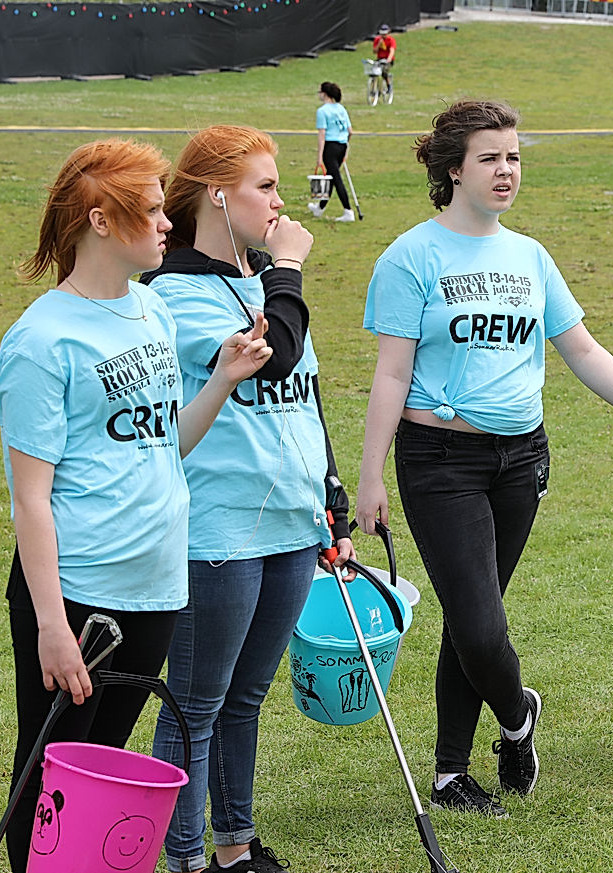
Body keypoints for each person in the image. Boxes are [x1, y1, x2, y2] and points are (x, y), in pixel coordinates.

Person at [356, 99, 613, 817]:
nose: (506, 171)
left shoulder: (530, 255)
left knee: (469, 612)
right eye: (490, 158)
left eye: (513, 157)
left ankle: (450, 776)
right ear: (454, 169)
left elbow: (581, 348)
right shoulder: (410, 256)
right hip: (439, 459)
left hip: (521, 460)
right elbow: (390, 372)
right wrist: (370, 473)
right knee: (479, 622)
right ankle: (517, 716)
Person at [0, 138, 272, 872]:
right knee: (50, 770)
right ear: (100, 221)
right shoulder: (41, 339)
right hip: (78, 593)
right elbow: (31, 498)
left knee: (102, 765)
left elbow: (162, 442)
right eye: (149, 211)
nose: (165, 224)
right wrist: (54, 625)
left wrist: (223, 379)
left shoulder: (152, 310)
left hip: (155, 586)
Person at [141, 124, 355, 873]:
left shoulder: (265, 277)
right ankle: (187, 856)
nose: (279, 202)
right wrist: (288, 268)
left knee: (244, 698)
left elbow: (306, 391)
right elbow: (276, 356)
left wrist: (333, 500)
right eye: (265, 186)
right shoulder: (172, 292)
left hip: (292, 526)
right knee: (195, 704)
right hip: (217, 531)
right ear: (216, 194)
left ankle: (234, 845)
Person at [309, 81, 355, 222]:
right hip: (342, 146)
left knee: (336, 179)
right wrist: (346, 149)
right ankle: (320, 208)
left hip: (330, 148)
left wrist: (319, 156)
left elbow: (322, 135)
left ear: (324, 94)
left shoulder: (322, 111)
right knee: (331, 177)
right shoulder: (341, 108)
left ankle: (348, 211)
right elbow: (350, 131)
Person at [373, 23, 396, 96]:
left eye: (385, 34)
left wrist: (389, 59)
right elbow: (374, 51)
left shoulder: (391, 40)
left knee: (384, 73)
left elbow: (392, 50)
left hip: (388, 60)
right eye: (382, 34)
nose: (383, 36)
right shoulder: (377, 39)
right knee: (374, 72)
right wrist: (379, 44)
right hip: (380, 59)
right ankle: (375, 89)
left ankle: (389, 86)